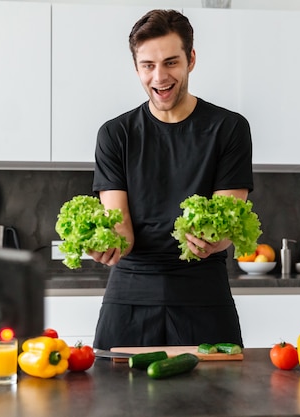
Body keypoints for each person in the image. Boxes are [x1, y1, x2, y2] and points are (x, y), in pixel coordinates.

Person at [90, 9, 253, 350]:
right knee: (116, 402)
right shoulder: (115, 135)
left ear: (191, 59)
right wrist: (107, 244)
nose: (159, 77)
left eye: (171, 62)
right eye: (148, 65)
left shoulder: (229, 129)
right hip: (129, 300)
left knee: (212, 402)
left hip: (203, 297)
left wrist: (216, 239)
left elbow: (228, 218)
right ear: (136, 68)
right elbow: (121, 231)